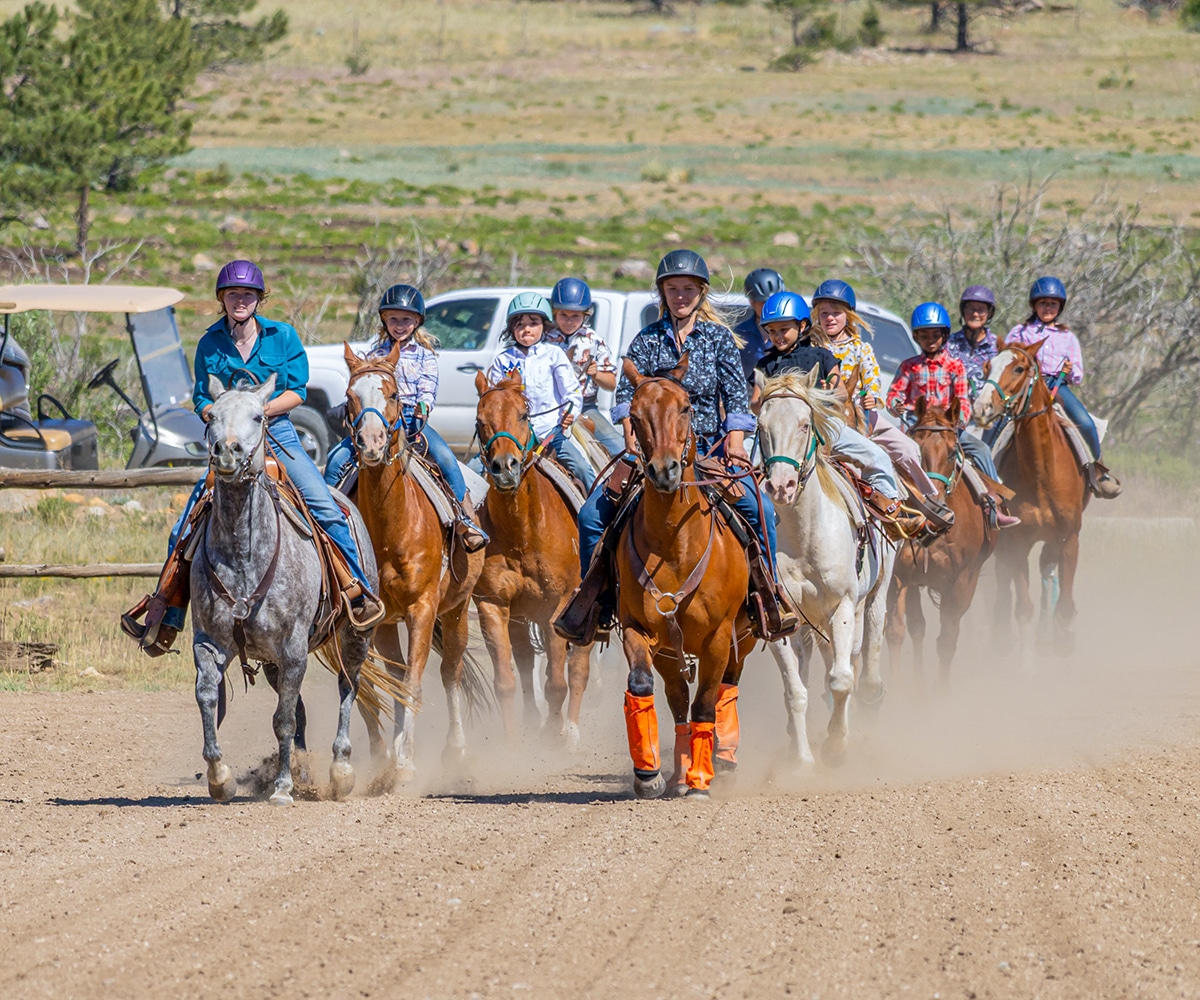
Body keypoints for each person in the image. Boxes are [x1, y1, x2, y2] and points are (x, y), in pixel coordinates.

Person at [122, 260, 383, 655]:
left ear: (259, 299)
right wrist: (217, 414)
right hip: (231, 441)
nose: (240, 300)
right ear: (222, 299)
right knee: (185, 525)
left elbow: (297, 391)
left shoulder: (283, 337)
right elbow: (201, 397)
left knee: (325, 506)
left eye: (247, 294)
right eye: (233, 294)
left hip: (276, 433)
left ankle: (356, 591)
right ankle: (167, 616)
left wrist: (257, 410)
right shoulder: (210, 343)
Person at [561, 249, 798, 643]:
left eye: (688, 288)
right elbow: (625, 393)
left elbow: (735, 396)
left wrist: (735, 440)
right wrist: (629, 430)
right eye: (673, 289)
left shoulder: (719, 339)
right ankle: (596, 604)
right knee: (591, 517)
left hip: (708, 449)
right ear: (663, 293)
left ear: (701, 292)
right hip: (652, 451)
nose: (681, 296)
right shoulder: (646, 340)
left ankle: (768, 597)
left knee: (763, 512)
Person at [323, 283, 488, 552]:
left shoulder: (425, 356)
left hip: (412, 418)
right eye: (394, 319)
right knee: (336, 459)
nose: (399, 325)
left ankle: (465, 518)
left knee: (445, 457)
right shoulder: (374, 354)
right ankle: (325, 518)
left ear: (417, 322)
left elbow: (429, 388)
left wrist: (424, 406)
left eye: (406, 320)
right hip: (377, 418)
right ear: (384, 321)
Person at [752, 290, 907, 517]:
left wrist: (827, 394)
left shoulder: (821, 356)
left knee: (876, 456)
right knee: (741, 462)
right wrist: (768, 399)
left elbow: (841, 393)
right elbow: (755, 403)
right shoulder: (766, 363)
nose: (778, 336)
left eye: (784, 329)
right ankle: (741, 517)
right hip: (777, 433)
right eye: (772, 331)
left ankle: (890, 513)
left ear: (802, 326)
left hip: (823, 426)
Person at [810, 278, 944, 508]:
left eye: (836, 313)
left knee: (907, 448)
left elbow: (872, 378)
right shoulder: (813, 348)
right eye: (824, 313)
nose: (830, 318)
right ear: (816, 316)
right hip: (824, 414)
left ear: (848, 315)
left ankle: (924, 500)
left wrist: (871, 396)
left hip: (862, 412)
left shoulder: (860, 348)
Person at [887, 302, 1020, 528]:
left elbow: (963, 399)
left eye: (935, 335)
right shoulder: (909, 366)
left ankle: (994, 503)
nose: (930, 340)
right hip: (917, 427)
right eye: (924, 335)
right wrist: (896, 405)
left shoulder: (955, 366)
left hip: (947, 427)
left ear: (944, 336)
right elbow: (893, 394)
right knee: (889, 455)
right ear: (917, 337)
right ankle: (887, 504)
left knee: (980, 449)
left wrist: (960, 420)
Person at [1003, 276, 1121, 498]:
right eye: (1043, 303)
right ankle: (989, 474)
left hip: (1057, 386)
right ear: (1034, 305)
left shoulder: (1067, 337)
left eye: (1053, 304)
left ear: (1060, 307)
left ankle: (1099, 473)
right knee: (1000, 424)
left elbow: (1078, 375)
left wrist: (1069, 369)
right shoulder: (1020, 331)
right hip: (1026, 387)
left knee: (1086, 423)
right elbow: (1006, 358)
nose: (1047, 308)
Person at [485, 292, 594, 489]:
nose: (526, 329)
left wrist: (569, 413)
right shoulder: (503, 360)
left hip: (550, 432)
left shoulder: (554, 354)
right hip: (513, 436)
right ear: (511, 328)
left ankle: (599, 507)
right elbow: (494, 401)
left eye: (533, 323)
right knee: (475, 468)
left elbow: (572, 393)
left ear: (544, 325)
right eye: (519, 324)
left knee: (582, 468)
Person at [544, 277, 623, 456]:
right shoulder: (544, 339)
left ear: (585, 315)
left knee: (621, 449)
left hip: (585, 406)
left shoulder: (595, 341)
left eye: (576, 316)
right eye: (563, 315)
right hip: (548, 406)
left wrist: (596, 375)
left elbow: (611, 384)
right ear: (554, 312)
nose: (569, 321)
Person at [734, 267, 785, 382]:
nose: (770, 308)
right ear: (752, 302)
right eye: (763, 303)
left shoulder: (794, 332)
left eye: (774, 302)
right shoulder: (740, 334)